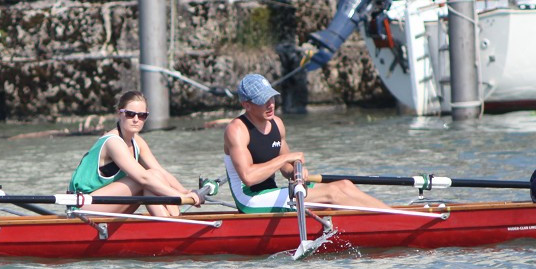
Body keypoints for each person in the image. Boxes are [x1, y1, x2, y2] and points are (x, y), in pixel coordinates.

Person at [224, 73, 389, 213]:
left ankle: (395, 216)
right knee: (332, 193)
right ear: (246, 105)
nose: (270, 104)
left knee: (344, 185)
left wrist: (298, 170)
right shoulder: (237, 130)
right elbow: (249, 177)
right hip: (250, 200)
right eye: (263, 100)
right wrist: (284, 159)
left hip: (270, 192)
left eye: (271, 97)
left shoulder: (277, 124)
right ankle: (394, 222)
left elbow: (286, 169)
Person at [68, 90, 201, 216]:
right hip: (82, 206)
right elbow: (143, 178)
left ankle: (173, 218)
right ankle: (170, 225)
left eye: (142, 115)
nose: (136, 119)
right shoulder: (113, 142)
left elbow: (160, 171)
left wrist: (185, 191)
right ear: (119, 113)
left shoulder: (137, 141)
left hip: (107, 203)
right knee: (145, 179)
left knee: (156, 174)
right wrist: (180, 197)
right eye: (130, 114)